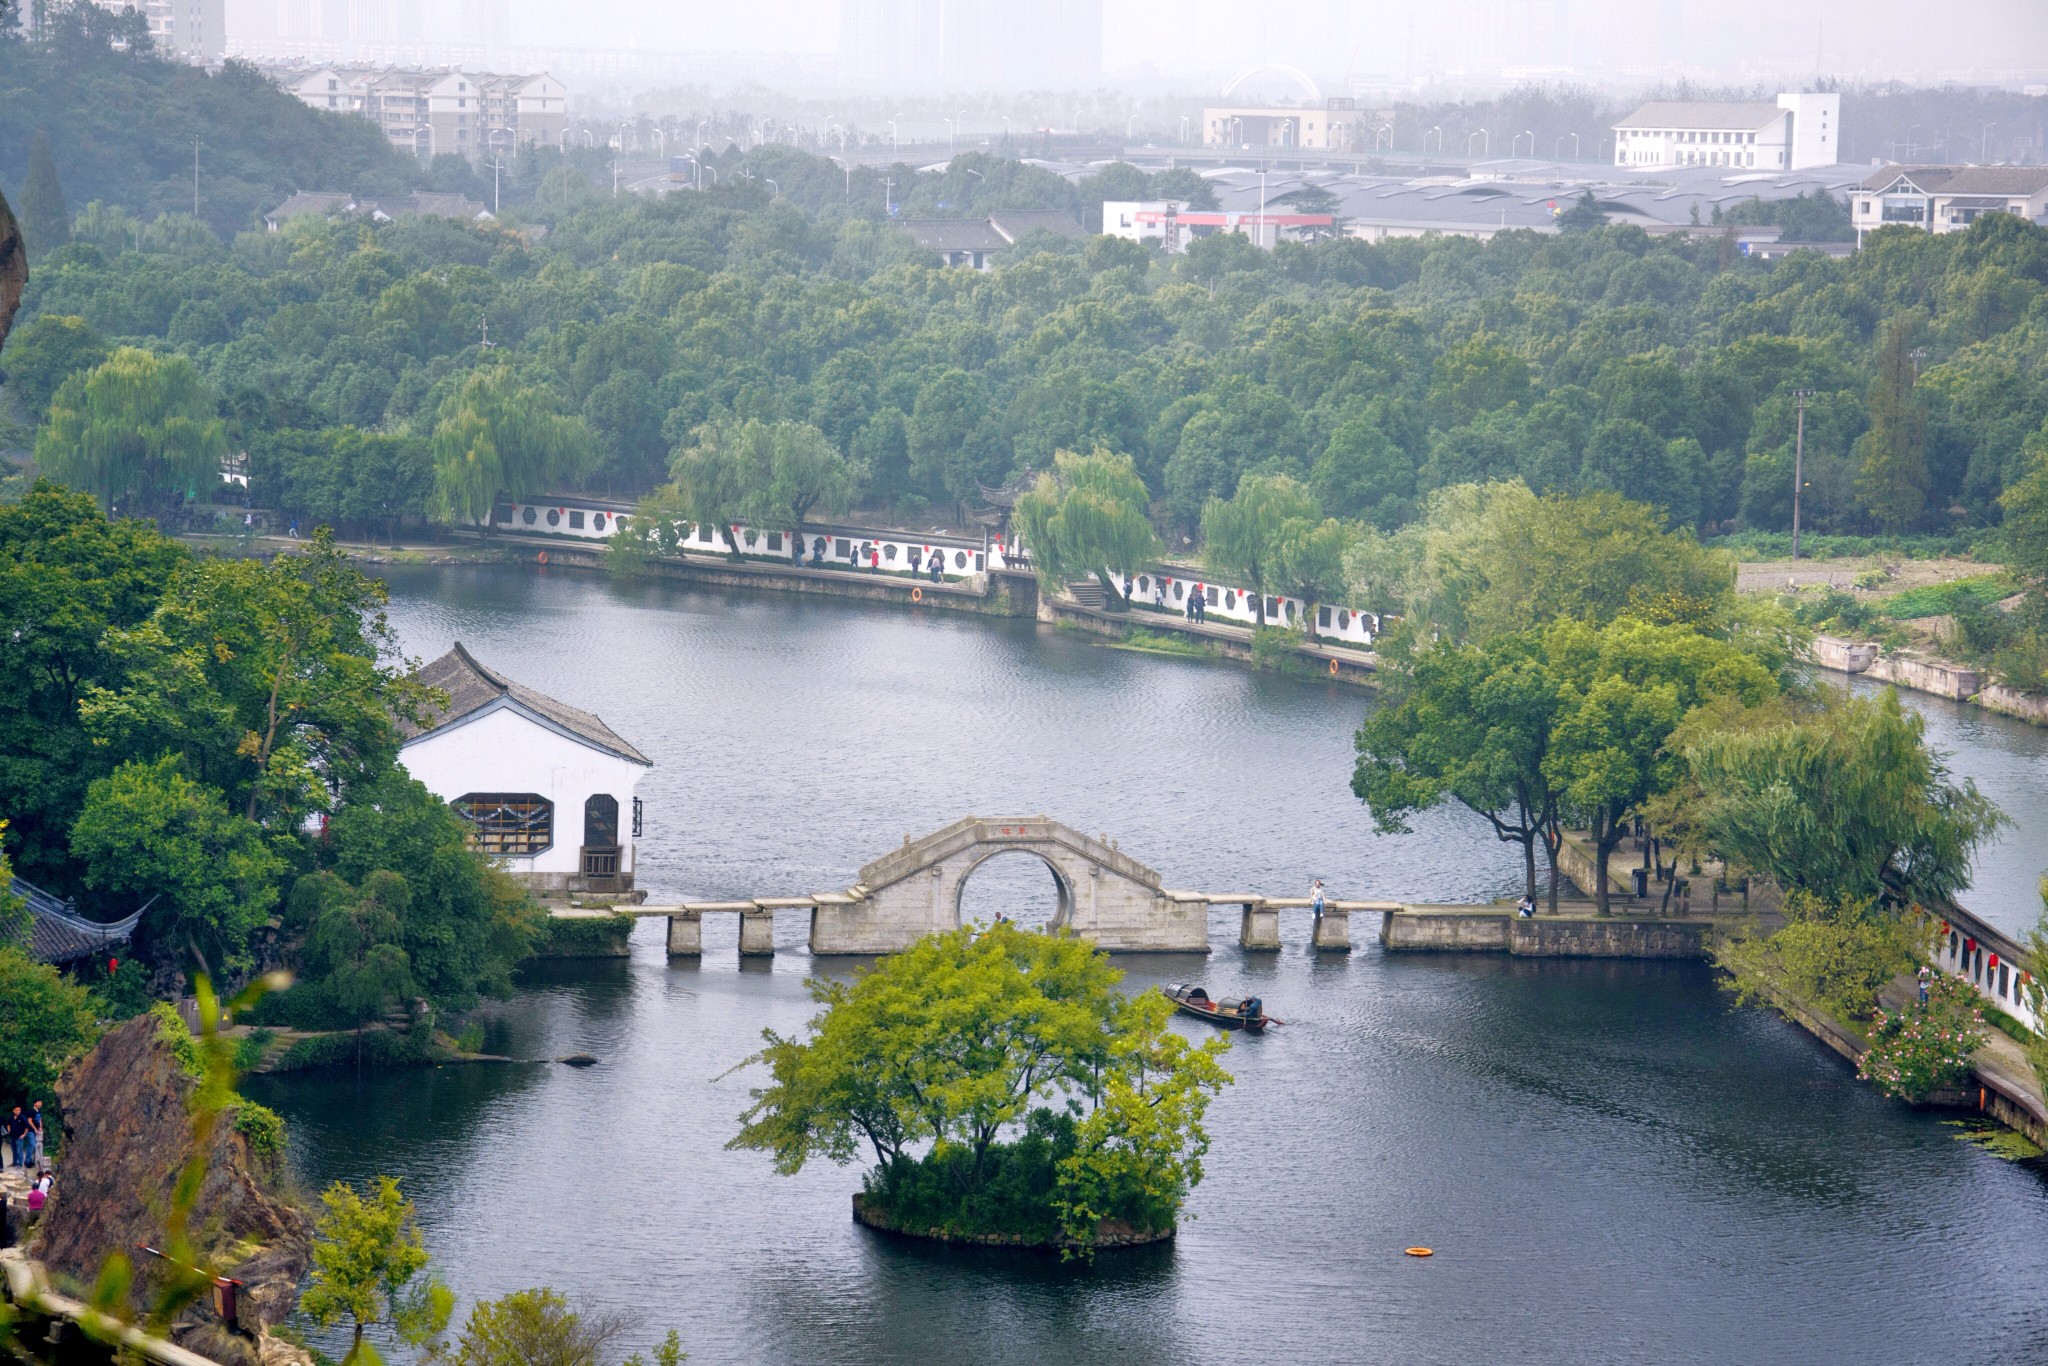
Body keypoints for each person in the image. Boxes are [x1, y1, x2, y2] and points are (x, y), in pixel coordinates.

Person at [6, 1106, 27, 1171]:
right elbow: (8, 1124)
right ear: (13, 1111)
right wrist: (9, 1130)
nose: (18, 1111)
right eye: (16, 1110)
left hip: (19, 1136)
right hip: (12, 1136)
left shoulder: (23, 1118)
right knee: (14, 1150)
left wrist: (24, 1134)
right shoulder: (11, 1117)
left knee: (19, 1150)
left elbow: (27, 1127)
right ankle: (14, 1162)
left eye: (19, 1110)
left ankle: (20, 1164)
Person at [26, 1100, 43, 1167]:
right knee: (32, 1145)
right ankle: (27, 1161)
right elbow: (29, 1121)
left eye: (40, 1102)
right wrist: (35, 1129)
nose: (40, 1104)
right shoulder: (31, 1111)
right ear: (34, 1103)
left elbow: (40, 1119)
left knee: (32, 1145)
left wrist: (40, 1127)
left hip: (36, 1130)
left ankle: (30, 1160)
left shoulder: (39, 1111)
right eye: (38, 1102)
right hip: (30, 1130)